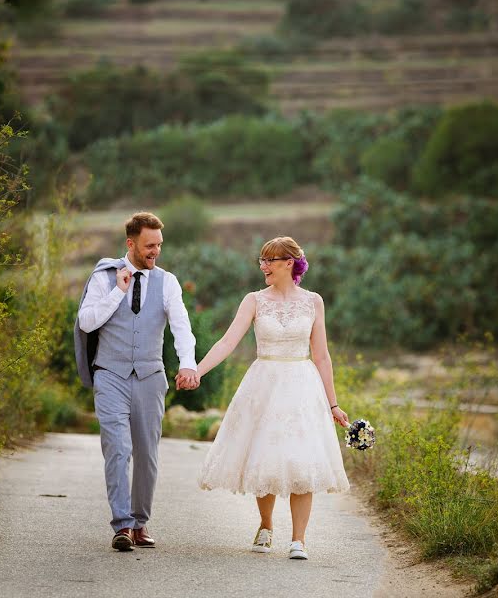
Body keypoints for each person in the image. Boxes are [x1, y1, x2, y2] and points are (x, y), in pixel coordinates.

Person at [186, 236, 350, 561]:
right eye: (261, 260)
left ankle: (299, 540)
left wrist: (333, 403)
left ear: (290, 262)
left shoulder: (313, 302)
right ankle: (265, 525)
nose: (263, 267)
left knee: (300, 461)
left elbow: (322, 356)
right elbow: (227, 342)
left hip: (302, 386)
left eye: (269, 260)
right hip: (265, 383)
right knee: (267, 458)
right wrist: (197, 370)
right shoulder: (254, 300)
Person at [74, 212, 200, 552]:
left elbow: (181, 327)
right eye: (149, 245)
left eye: (159, 244)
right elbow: (86, 322)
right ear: (130, 243)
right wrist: (118, 291)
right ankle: (122, 526)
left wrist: (188, 364)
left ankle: (140, 522)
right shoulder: (104, 277)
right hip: (110, 373)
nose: (155, 251)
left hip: (149, 375)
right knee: (118, 448)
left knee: (147, 453)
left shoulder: (168, 282)